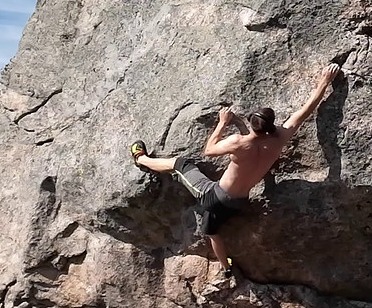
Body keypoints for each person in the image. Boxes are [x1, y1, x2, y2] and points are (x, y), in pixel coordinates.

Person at [130, 63, 342, 282]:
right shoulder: (280, 138)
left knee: (181, 165)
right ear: (271, 125)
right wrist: (324, 81)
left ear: (251, 124)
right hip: (240, 203)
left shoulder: (238, 142)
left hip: (213, 196)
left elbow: (209, 150)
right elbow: (306, 110)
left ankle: (142, 160)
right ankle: (226, 267)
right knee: (214, 230)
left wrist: (222, 124)